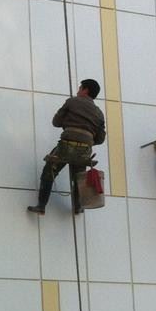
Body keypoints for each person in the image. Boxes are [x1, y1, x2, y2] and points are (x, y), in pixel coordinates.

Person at [28, 79, 106, 215]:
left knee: (49, 172)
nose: (78, 91)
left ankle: (41, 206)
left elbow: (56, 122)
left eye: (80, 88)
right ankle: (78, 207)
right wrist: (87, 139)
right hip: (85, 150)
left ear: (85, 90)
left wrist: (69, 125)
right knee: (79, 178)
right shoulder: (99, 113)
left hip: (67, 145)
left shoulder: (72, 102)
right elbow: (100, 139)